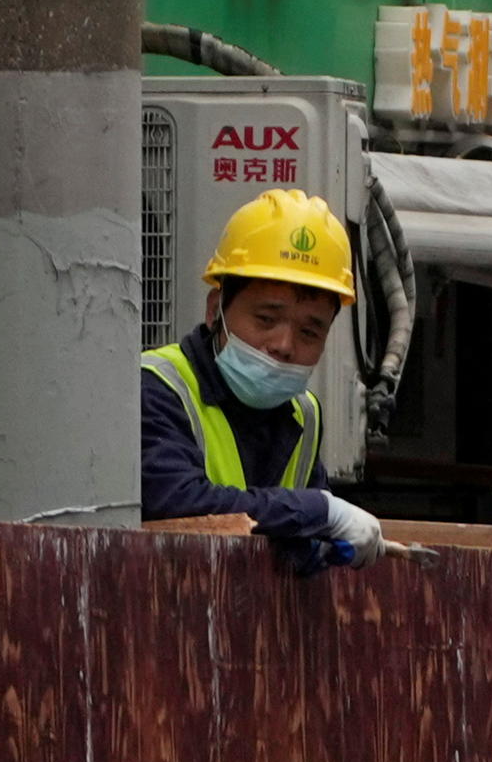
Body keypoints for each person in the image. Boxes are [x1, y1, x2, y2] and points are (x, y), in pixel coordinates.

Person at [139, 187, 384, 572]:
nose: (284, 345)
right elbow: (174, 501)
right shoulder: (159, 387)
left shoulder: (305, 415)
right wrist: (318, 511)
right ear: (214, 310)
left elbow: (293, 533)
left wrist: (317, 550)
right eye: (266, 319)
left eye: (309, 332)